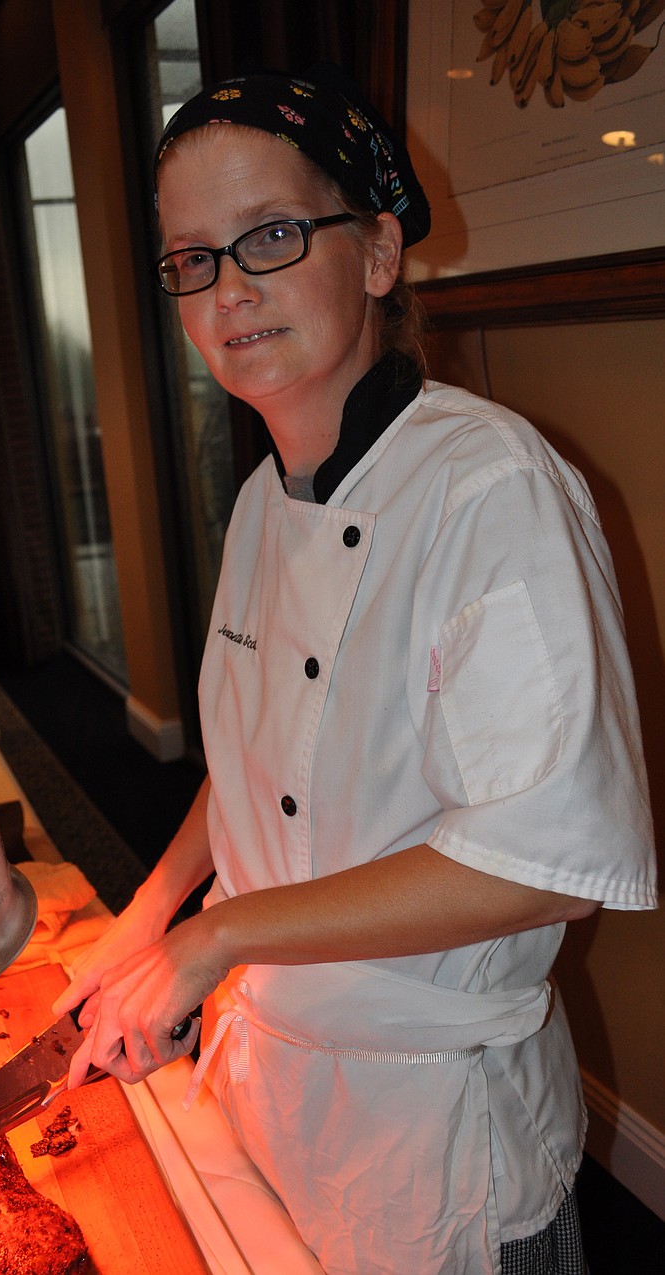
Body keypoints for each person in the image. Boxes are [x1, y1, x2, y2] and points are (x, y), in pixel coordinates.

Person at [52, 64, 657, 1274]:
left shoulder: (491, 489)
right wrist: (152, 914)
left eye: (270, 237)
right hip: (271, 1080)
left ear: (378, 253)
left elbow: (539, 866)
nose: (228, 291)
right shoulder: (265, 503)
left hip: (438, 1129)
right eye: (193, 259)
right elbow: (259, 765)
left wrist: (214, 943)